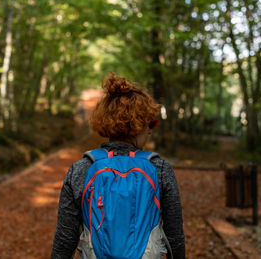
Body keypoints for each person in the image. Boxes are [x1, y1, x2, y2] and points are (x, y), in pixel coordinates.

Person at [50, 73, 185, 259]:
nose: (151, 131)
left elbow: (65, 239)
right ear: (139, 125)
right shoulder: (159, 169)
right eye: (151, 124)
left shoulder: (81, 169)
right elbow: (174, 238)